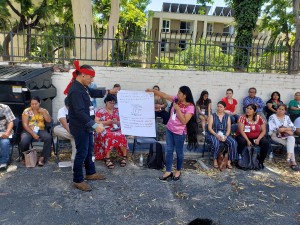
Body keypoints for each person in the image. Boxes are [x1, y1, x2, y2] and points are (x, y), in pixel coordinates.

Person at [64, 60, 117, 191]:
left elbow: (93, 92)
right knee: (81, 153)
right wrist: (94, 125)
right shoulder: (75, 90)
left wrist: (109, 91)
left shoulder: (82, 86)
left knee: (88, 150)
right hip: (80, 126)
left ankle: (90, 173)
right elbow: (79, 112)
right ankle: (77, 179)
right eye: (91, 77)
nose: (92, 80)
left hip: (86, 125)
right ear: (83, 75)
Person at [146, 86, 198, 181]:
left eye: (179, 93)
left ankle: (178, 171)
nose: (177, 94)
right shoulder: (176, 99)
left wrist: (177, 109)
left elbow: (184, 121)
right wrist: (152, 91)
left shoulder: (190, 107)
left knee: (179, 152)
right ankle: (168, 171)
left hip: (179, 133)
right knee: (169, 150)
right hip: (169, 129)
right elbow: (164, 95)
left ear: (185, 95)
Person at [94, 94, 128, 168]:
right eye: (110, 102)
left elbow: (122, 121)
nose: (112, 104)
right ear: (106, 102)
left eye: (113, 103)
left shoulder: (117, 111)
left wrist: (117, 122)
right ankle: (107, 158)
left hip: (116, 128)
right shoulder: (100, 111)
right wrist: (107, 122)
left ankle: (124, 156)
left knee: (122, 135)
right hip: (104, 128)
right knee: (109, 135)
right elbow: (96, 122)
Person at [19, 96, 52, 166]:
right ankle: (25, 157)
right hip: (28, 129)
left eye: (35, 104)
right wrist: (33, 134)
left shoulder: (44, 110)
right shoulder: (27, 111)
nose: (34, 106)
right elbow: (25, 124)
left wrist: (43, 112)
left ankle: (42, 157)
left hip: (40, 129)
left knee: (48, 138)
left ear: (39, 103)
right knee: (24, 141)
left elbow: (49, 120)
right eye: (32, 104)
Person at [235, 104, 269, 169]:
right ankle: (239, 160)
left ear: (254, 111)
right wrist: (247, 140)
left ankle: (261, 161)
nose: (248, 110)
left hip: (256, 137)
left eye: (250, 109)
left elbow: (264, 131)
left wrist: (258, 139)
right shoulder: (242, 118)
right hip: (244, 136)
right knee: (242, 141)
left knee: (265, 142)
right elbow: (241, 131)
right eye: (247, 108)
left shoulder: (259, 118)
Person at [207, 101, 237, 170]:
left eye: (221, 107)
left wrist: (226, 136)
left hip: (224, 134)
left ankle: (229, 161)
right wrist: (216, 135)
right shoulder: (213, 116)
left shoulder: (227, 116)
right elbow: (209, 128)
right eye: (218, 106)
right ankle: (215, 159)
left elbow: (229, 128)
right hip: (214, 133)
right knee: (215, 143)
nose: (219, 108)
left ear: (224, 108)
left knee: (233, 143)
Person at [268, 104, 299, 171]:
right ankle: (292, 162)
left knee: (291, 138)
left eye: (283, 109)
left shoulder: (287, 117)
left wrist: (284, 129)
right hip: (275, 135)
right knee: (291, 143)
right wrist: (286, 129)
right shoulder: (272, 117)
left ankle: (289, 158)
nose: (280, 111)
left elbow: (293, 127)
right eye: (279, 109)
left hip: (286, 135)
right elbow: (273, 129)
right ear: (277, 109)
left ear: (285, 111)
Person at [53, 98, 76, 167]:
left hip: (74, 130)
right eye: (68, 106)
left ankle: (74, 160)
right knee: (56, 129)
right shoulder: (62, 110)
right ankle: (75, 160)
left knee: (74, 138)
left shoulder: (76, 109)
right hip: (64, 129)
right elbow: (64, 124)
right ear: (66, 105)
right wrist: (72, 132)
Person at [0, 104, 15, 171]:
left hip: (4, 131)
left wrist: (7, 133)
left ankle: (3, 162)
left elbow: (11, 122)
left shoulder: (5, 107)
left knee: (5, 142)